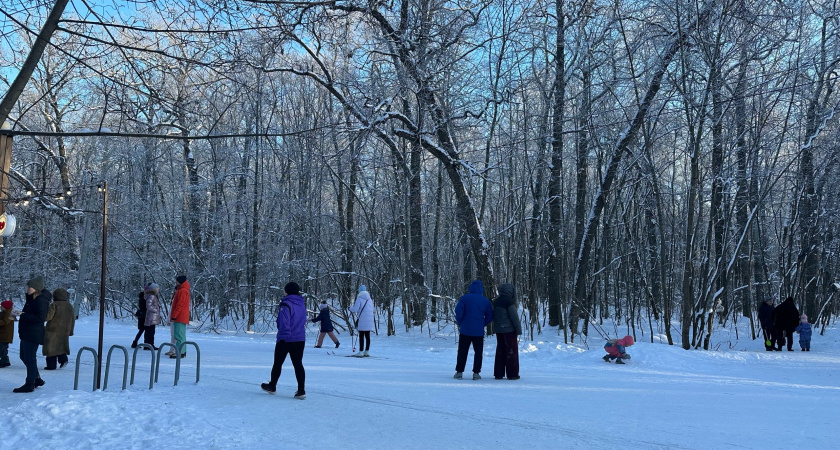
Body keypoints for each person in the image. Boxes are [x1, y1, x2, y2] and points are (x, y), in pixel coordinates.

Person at [261, 282, 306, 399]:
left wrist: (283, 337)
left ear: (287, 291)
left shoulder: (285, 304)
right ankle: (301, 390)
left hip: (286, 339)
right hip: (300, 338)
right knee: (298, 364)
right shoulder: (301, 304)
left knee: (278, 363)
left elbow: (283, 323)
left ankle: (272, 386)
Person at [13, 277, 50, 392]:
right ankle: (36, 378)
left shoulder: (41, 300)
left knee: (29, 357)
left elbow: (40, 317)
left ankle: (30, 383)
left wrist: (22, 315)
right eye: (28, 286)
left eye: (30, 287)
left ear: (36, 289)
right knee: (24, 356)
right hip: (27, 332)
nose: (28, 289)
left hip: (33, 333)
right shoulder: (32, 299)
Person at [454, 279, 493, 380]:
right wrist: (482, 324)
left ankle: (459, 372)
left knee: (462, 351)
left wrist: (461, 323)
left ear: (470, 288)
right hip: (478, 331)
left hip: (465, 330)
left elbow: (458, 312)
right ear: (481, 289)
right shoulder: (485, 301)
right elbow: (490, 316)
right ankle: (476, 373)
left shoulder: (464, 298)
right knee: (478, 352)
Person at [492, 283, 521, 380]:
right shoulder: (509, 301)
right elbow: (514, 317)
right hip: (509, 330)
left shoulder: (496, 301)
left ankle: (498, 373)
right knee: (511, 351)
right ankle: (512, 374)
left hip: (498, 330)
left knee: (500, 350)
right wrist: (518, 329)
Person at [43, 288, 75, 370]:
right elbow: (72, 319)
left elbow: (48, 317)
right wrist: (70, 331)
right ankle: (63, 359)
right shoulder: (69, 306)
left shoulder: (54, 305)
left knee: (51, 348)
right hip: (64, 331)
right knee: (61, 346)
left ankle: (51, 365)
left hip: (53, 330)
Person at [167, 275, 191, 358]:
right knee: (180, 335)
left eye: (176, 281)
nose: (175, 282)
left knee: (178, 335)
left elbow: (179, 305)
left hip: (180, 317)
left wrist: (174, 315)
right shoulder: (183, 290)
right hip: (181, 316)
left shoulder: (182, 291)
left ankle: (179, 351)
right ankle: (182, 351)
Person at [350, 285, 374, 357]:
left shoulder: (359, 299)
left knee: (361, 335)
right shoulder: (370, 299)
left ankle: (360, 352)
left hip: (362, 319)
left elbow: (355, 309)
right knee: (367, 335)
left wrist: (349, 308)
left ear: (359, 291)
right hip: (370, 320)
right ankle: (367, 351)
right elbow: (372, 309)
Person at [141, 283, 162, 350]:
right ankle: (150, 345)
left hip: (151, 317)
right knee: (150, 331)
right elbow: (149, 306)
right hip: (151, 317)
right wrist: (156, 310)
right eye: (157, 288)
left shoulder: (151, 295)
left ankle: (147, 345)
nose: (158, 289)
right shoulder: (152, 296)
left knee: (149, 331)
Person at [0, 300, 14, 368]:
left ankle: (5, 361)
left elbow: (5, 321)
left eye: (2, 306)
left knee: (2, 349)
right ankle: (5, 360)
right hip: (2, 334)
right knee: (2, 349)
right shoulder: (4, 313)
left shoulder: (10, 314)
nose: (1, 307)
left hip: (5, 335)